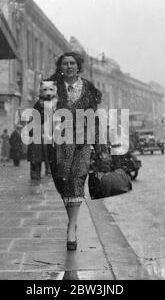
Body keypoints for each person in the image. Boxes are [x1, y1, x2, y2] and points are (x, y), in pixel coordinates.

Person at [44, 52, 105, 251]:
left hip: (83, 141)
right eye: (65, 63)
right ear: (60, 66)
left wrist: (100, 145)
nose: (69, 66)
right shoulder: (50, 86)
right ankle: (72, 220)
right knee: (63, 181)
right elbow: (43, 114)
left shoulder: (88, 88)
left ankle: (71, 228)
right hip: (59, 142)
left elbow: (94, 118)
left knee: (77, 178)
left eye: (72, 63)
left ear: (78, 66)